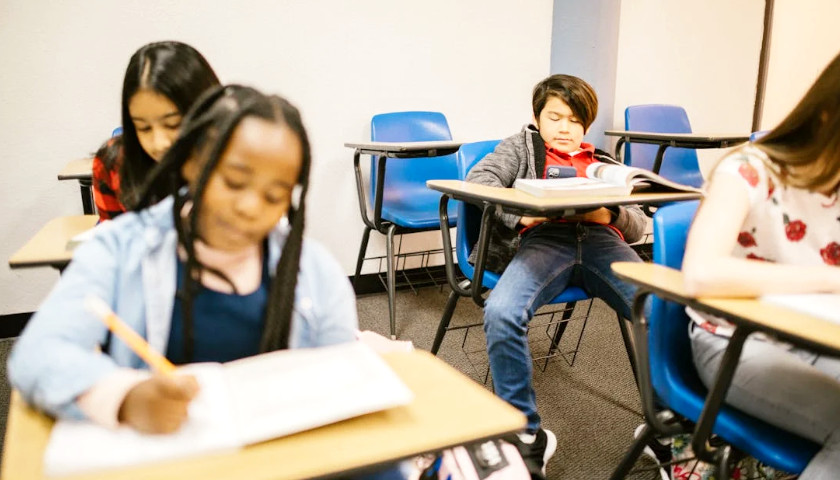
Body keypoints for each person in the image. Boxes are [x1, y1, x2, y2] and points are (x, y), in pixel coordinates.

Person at [465, 74, 647, 479]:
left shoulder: (604, 162)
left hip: (602, 241)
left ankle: (671, 425)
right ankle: (525, 436)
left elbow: (637, 224)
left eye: (575, 120)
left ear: (587, 125)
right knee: (502, 312)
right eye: (555, 117)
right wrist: (522, 212)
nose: (565, 128)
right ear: (537, 117)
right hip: (544, 241)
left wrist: (609, 214)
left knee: (668, 309)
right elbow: (480, 181)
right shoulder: (520, 148)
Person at [682, 51, 840, 480]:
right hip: (737, 341)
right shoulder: (749, 169)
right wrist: (829, 280)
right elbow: (701, 273)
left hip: (816, 337)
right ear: (827, 115)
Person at [92, 41, 221, 221]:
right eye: (143, 127)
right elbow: (117, 239)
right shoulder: (114, 164)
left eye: (173, 124)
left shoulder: (235, 160)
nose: (159, 143)